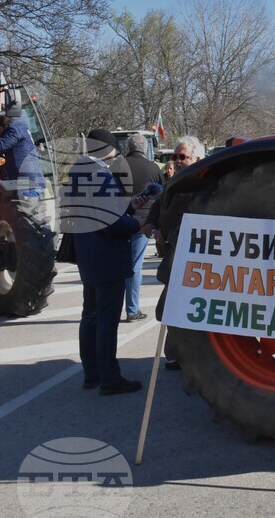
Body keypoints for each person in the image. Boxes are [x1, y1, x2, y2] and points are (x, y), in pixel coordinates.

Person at [74, 128, 147, 395]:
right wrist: (134, 223)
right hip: (107, 255)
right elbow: (110, 221)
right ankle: (109, 377)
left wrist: (130, 205)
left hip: (89, 254)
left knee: (90, 316)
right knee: (106, 320)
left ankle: (91, 373)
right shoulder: (99, 174)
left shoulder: (78, 172)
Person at [141, 136, 205, 371]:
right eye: (175, 157)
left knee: (175, 306)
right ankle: (174, 354)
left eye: (183, 157)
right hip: (169, 248)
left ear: (197, 158)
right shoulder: (173, 180)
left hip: (188, 253)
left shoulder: (204, 181)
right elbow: (159, 204)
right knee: (172, 306)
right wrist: (151, 223)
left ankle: (178, 354)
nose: (177, 161)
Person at [121, 134, 164, 322]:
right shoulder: (154, 168)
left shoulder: (117, 166)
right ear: (144, 148)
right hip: (143, 222)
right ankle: (132, 309)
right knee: (135, 266)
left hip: (119, 221)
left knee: (118, 265)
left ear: (128, 148)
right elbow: (162, 197)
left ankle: (115, 307)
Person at [0, 108, 45, 190]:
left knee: (26, 200)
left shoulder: (15, 130)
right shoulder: (18, 127)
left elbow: (1, 146)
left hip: (26, 178)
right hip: (27, 175)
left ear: (5, 126)